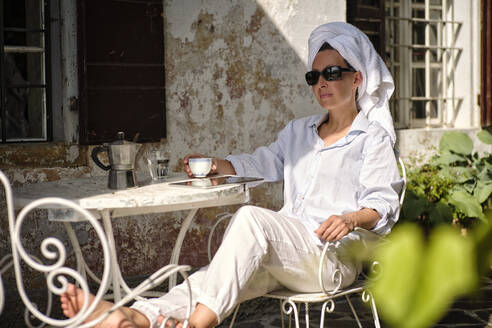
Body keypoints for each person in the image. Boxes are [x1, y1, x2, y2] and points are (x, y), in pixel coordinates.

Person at [60, 22, 404, 328]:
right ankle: (136, 316)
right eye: (314, 77)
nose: (321, 84)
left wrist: (351, 218)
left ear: (357, 77)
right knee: (214, 277)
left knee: (251, 221)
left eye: (332, 74)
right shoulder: (299, 132)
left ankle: (196, 326)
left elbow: (383, 204)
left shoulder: (372, 138)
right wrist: (216, 165)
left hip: (332, 259)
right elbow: (259, 164)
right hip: (289, 253)